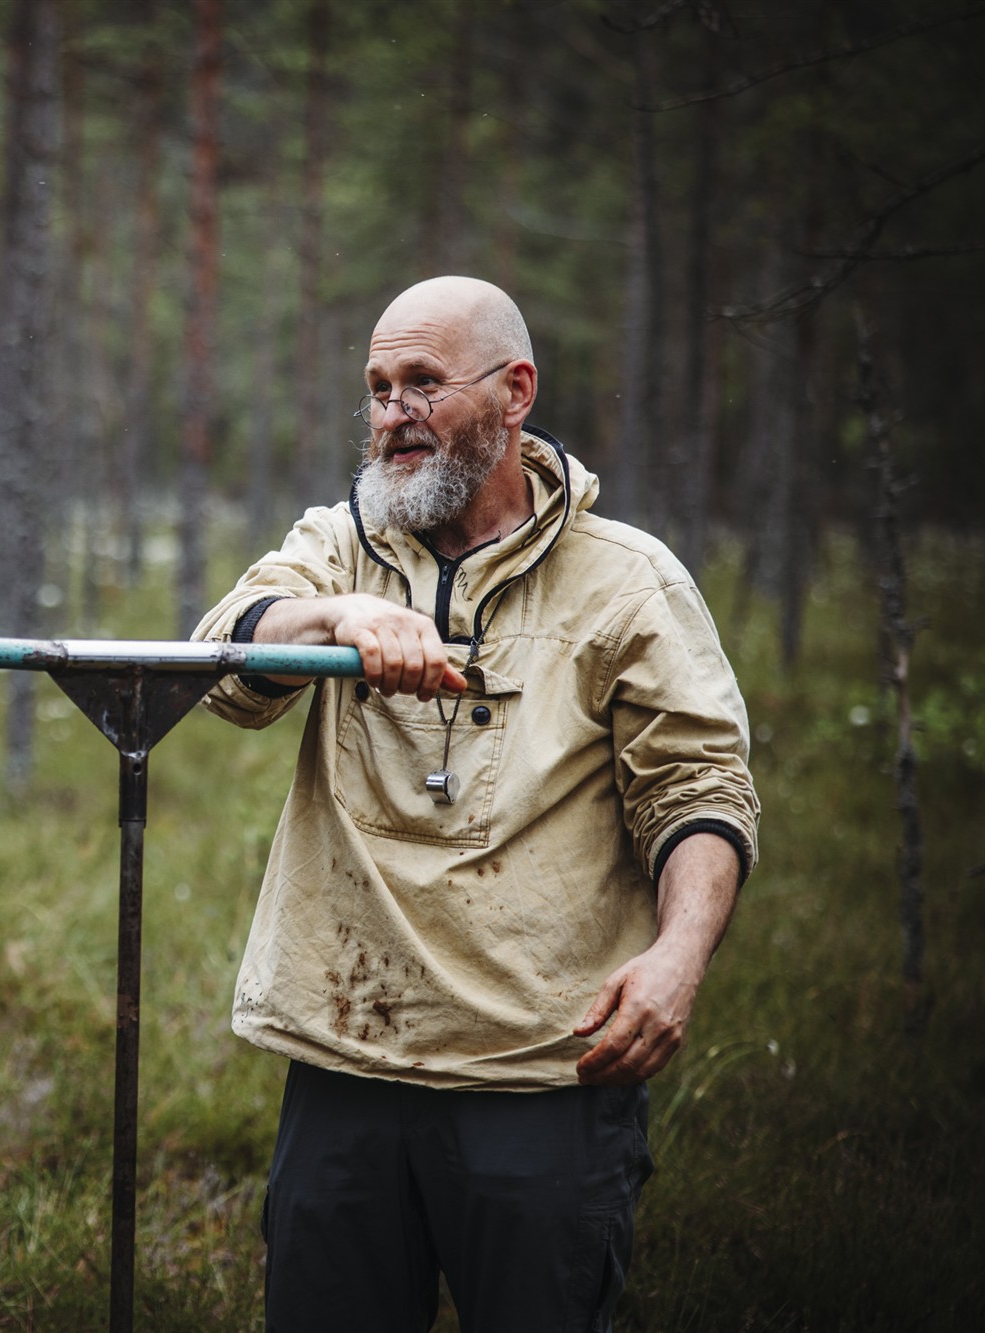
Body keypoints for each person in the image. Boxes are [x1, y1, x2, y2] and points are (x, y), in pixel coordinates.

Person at [191, 276, 760, 1330]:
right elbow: (222, 661)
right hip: (344, 1064)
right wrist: (337, 614)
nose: (392, 412)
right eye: (375, 387)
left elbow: (698, 790)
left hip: (544, 1076)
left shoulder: (626, 582)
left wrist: (676, 957)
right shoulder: (338, 544)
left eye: (420, 382)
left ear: (514, 392)